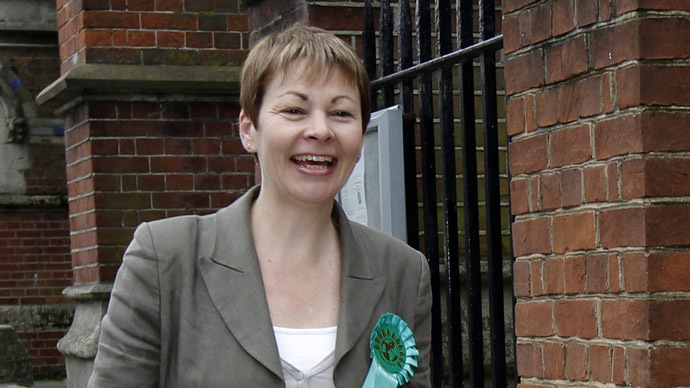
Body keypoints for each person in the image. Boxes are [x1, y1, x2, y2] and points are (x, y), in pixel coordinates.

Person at [87, 24, 432, 387]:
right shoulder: (165, 259)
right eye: (295, 110)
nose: (320, 130)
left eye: (341, 114)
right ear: (248, 129)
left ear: (360, 136)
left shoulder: (403, 272)